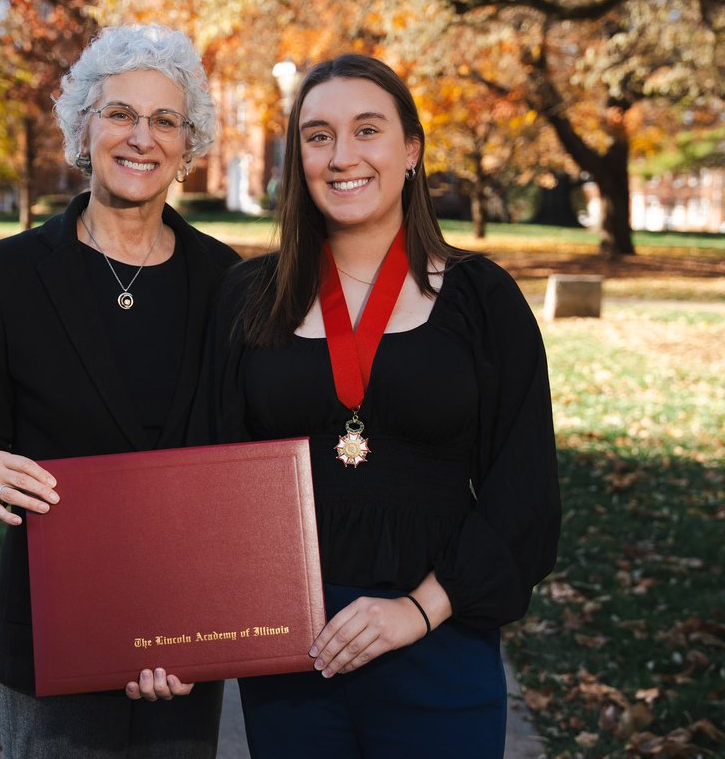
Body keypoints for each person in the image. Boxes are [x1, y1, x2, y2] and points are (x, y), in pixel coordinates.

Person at [205, 54, 561, 757]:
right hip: (292, 656)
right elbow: (212, 476)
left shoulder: (482, 300)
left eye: (367, 130)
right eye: (318, 136)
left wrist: (418, 611)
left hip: (438, 641)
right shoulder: (247, 296)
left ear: (412, 151)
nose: (342, 157)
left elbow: (525, 492)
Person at [0, 24, 240, 758]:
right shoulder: (9, 273)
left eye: (165, 120)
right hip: (54, 635)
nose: (142, 137)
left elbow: (240, 458)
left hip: (184, 634)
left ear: (187, 146)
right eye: (120, 114)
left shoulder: (230, 280)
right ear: (83, 129)